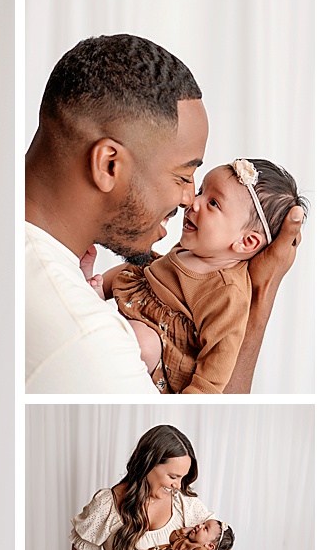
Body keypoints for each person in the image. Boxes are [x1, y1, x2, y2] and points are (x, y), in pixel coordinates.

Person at [24, 34, 303, 394]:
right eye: (184, 177)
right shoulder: (88, 343)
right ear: (109, 165)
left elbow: (213, 375)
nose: (189, 200)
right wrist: (263, 292)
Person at [101, 159, 306, 392]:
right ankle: (93, 291)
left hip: (159, 355)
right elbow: (143, 275)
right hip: (138, 313)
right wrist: (101, 287)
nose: (193, 202)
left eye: (213, 203)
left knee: (143, 342)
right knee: (132, 268)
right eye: (200, 192)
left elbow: (218, 362)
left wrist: (196, 397)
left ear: (246, 242)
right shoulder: (194, 249)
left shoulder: (228, 293)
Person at [69, 424, 230, 550]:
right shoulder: (107, 504)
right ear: (148, 464)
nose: (178, 485)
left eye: (182, 477)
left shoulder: (185, 505)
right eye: (173, 476)